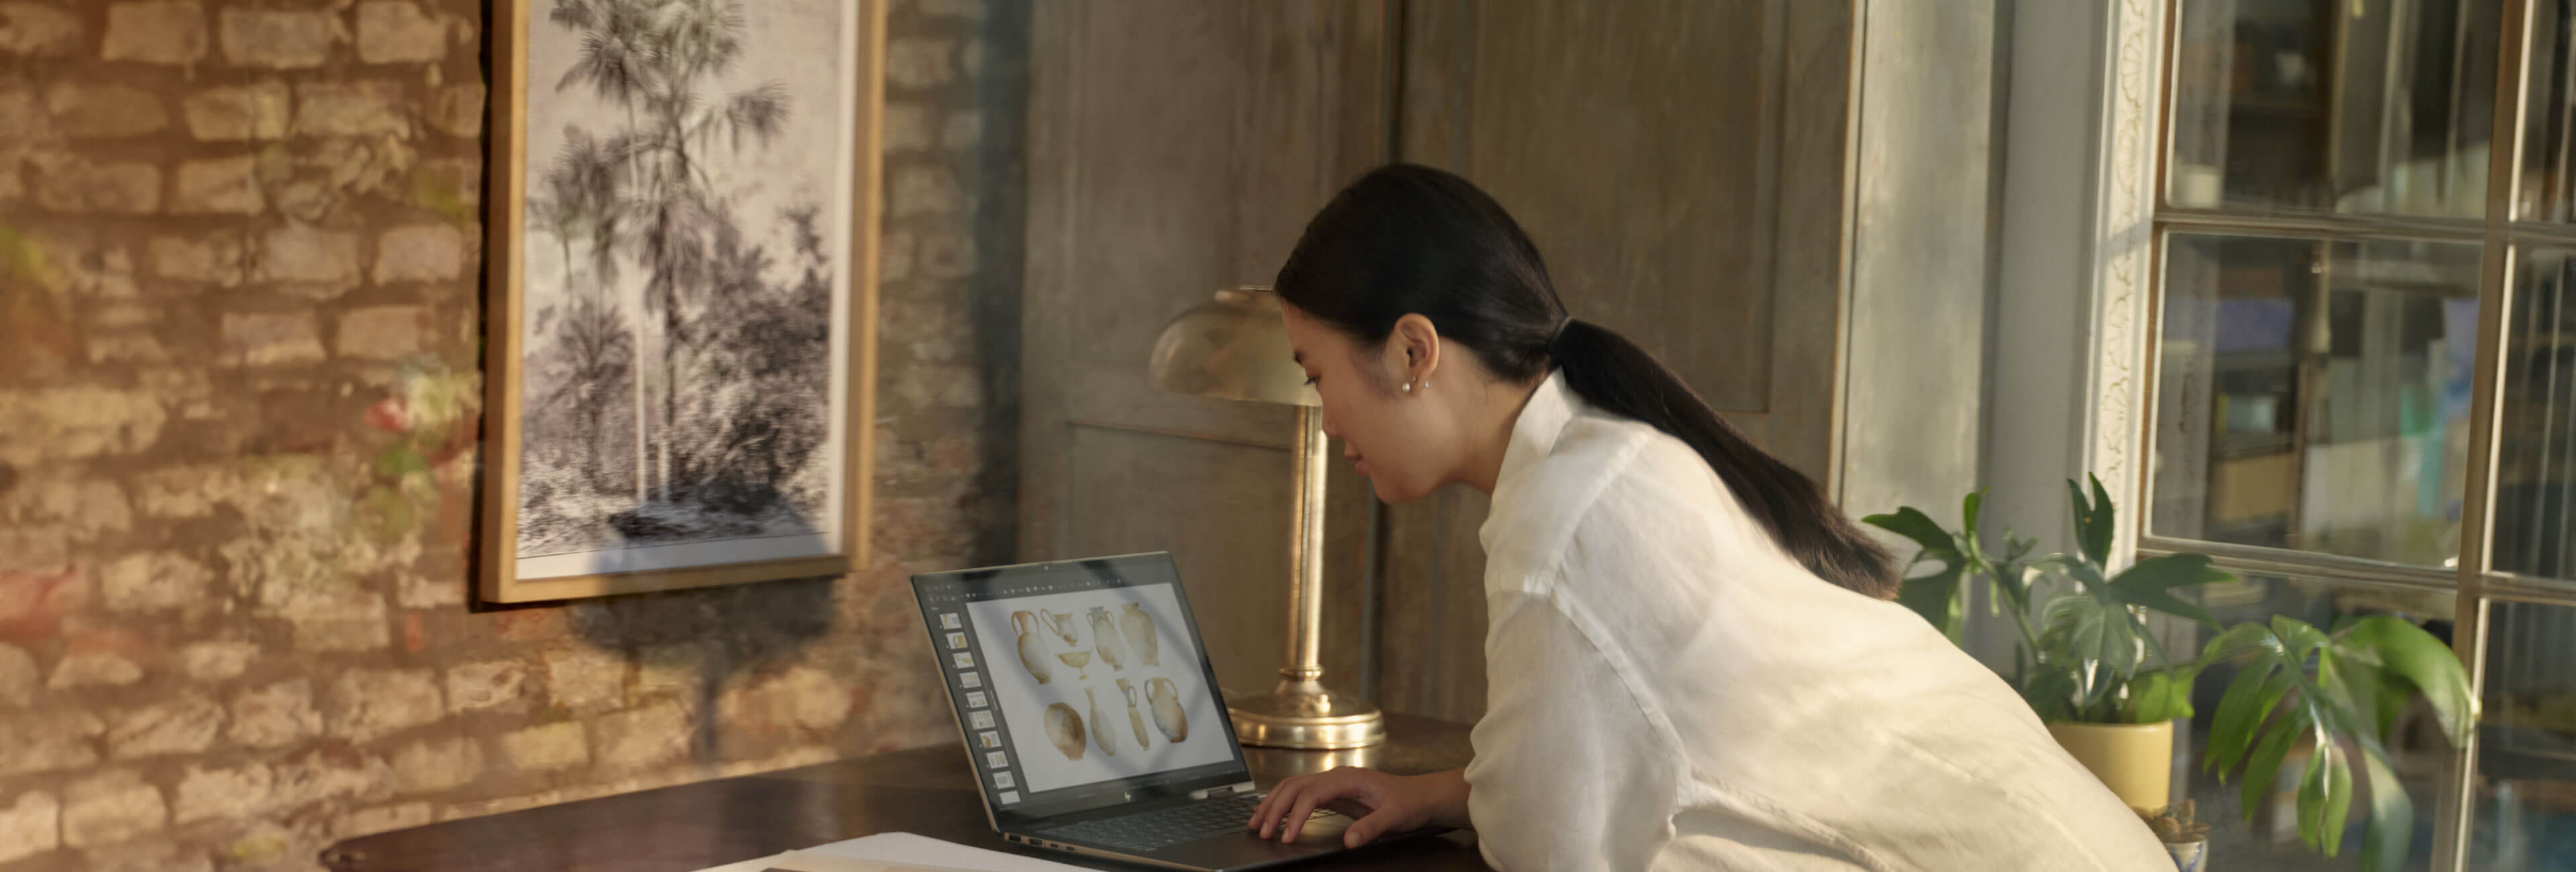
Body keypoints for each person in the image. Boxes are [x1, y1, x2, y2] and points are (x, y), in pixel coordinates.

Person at [1242, 164, 2169, 871]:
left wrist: (1469, 802)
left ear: (1412, 350)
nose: (1327, 421)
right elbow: (1612, 757)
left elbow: (1552, 845)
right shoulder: (1610, 455)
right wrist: (1444, 792)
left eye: (1318, 374)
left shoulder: (1567, 521)